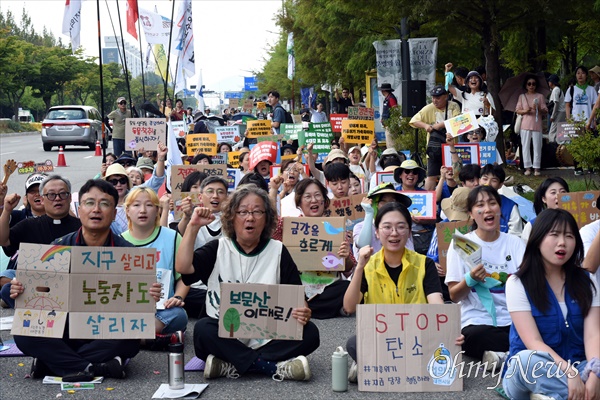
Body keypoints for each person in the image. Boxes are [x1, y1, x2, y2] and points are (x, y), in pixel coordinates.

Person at [9, 179, 162, 380]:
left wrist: (149, 295)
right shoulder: (58, 248)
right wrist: (22, 289)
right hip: (63, 329)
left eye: (105, 204)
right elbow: (41, 294)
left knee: (131, 337)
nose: (96, 210)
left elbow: (136, 309)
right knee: (25, 333)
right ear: (79, 210)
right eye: (89, 203)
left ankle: (51, 362)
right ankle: (95, 367)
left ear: (115, 213)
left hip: (105, 330)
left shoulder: (130, 255)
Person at [176, 185, 320, 381]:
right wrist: (193, 227)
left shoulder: (278, 250)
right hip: (224, 332)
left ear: (267, 218)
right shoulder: (218, 247)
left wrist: (304, 312)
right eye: (242, 212)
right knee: (202, 330)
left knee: (310, 332)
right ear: (231, 218)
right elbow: (183, 268)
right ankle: (270, 366)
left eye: (257, 212)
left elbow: (298, 299)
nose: (250, 218)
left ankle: (231, 364)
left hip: (267, 334)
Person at [344, 202, 460, 381]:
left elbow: (436, 302)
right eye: (387, 227)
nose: (394, 233)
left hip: (417, 339)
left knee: (441, 345)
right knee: (354, 343)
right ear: (377, 232)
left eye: (401, 227)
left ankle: (374, 366)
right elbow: (349, 307)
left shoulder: (424, 264)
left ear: (409, 231)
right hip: (382, 338)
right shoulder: (368, 266)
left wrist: (449, 329)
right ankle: (394, 366)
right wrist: (359, 267)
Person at [502, 209, 600, 400]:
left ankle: (554, 396)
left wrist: (595, 372)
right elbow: (533, 342)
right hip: (535, 369)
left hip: (580, 366)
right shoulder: (518, 283)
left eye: (569, 236)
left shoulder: (587, 281)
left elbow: (592, 334)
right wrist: (568, 373)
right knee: (524, 361)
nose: (562, 242)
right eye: (554, 235)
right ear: (538, 239)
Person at [445, 186, 525, 369]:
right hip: (478, 321)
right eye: (480, 205)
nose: (488, 209)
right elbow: (454, 295)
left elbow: (530, 285)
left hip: (514, 318)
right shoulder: (461, 245)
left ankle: (503, 358)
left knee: (544, 328)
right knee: (473, 338)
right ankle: (519, 354)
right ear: (471, 214)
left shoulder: (516, 243)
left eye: (492, 203)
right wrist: (470, 279)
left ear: (499, 208)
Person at [0, 175, 82, 308]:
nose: (57, 198)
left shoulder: (82, 227)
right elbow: (3, 240)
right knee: (7, 289)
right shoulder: (28, 225)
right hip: (37, 286)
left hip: (71, 286)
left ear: (70, 198)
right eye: (51, 195)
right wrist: (7, 210)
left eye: (62, 194)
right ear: (43, 199)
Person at [122, 187, 188, 350]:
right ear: (128, 211)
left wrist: (178, 298)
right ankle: (148, 339)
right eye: (136, 205)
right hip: (129, 311)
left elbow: (184, 278)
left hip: (162, 309)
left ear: (158, 210)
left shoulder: (172, 237)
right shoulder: (119, 241)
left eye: (149, 205)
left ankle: (131, 338)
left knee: (179, 315)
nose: (143, 210)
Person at [285, 179, 355, 319]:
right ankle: (324, 309)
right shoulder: (290, 226)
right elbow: (270, 222)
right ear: (299, 203)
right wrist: (275, 190)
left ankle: (309, 309)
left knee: (347, 287)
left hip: (328, 290)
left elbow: (348, 269)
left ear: (324, 200)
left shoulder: (335, 227)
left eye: (318, 195)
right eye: (308, 197)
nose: (313, 200)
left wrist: (345, 256)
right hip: (301, 290)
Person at [409, 85, 461, 191]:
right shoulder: (429, 108)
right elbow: (414, 120)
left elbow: (458, 120)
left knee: (453, 174)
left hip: (451, 147)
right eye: (433, 98)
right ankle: (430, 199)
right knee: (431, 175)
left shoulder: (454, 106)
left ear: (446, 96)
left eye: (438, 98)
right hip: (434, 148)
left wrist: (439, 125)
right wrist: (426, 126)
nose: (434, 100)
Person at [427, 187, 472, 302]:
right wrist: (435, 264)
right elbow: (431, 255)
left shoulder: (478, 230)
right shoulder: (442, 227)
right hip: (446, 280)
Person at [353, 182, 414, 260]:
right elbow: (363, 245)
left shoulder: (402, 227)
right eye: (383, 201)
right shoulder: (360, 226)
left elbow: (410, 253)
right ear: (374, 204)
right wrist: (369, 213)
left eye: (392, 201)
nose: (388, 205)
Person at [565, 66, 599, 175]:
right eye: (578, 73)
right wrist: (568, 119)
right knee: (576, 145)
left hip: (588, 120)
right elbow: (567, 105)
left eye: (583, 73)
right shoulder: (571, 89)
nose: (580, 75)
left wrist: (594, 120)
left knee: (589, 143)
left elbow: (595, 105)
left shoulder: (591, 90)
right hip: (576, 121)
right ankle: (577, 167)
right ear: (575, 75)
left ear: (586, 75)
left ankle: (590, 166)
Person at [515, 75, 548, 176]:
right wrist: (525, 111)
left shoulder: (540, 96)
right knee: (525, 147)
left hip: (537, 124)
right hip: (525, 124)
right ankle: (527, 167)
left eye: (533, 84)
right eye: (529, 84)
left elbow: (545, 111)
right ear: (526, 85)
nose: (531, 86)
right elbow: (517, 110)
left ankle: (537, 168)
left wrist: (538, 108)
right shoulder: (522, 96)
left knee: (537, 146)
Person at [479, 164, 523, 237]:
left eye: (494, 180)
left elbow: (516, 235)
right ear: (479, 180)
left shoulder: (510, 206)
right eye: (485, 179)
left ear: (500, 185)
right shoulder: (471, 202)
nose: (488, 183)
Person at [521, 177, 569, 242]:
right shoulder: (532, 226)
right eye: (553, 192)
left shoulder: (576, 221)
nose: (558, 196)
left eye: (563, 192)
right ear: (544, 199)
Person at [378, 83, 398, 149]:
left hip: (390, 124)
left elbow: (395, 110)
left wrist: (391, 122)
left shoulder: (391, 98)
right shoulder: (388, 98)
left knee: (391, 143)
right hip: (388, 124)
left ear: (384, 90)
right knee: (389, 142)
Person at [547, 74, 566, 143]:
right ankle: (559, 146)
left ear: (552, 82)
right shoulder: (558, 89)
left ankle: (552, 146)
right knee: (560, 131)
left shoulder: (555, 90)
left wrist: (552, 116)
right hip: (562, 112)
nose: (548, 82)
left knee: (552, 132)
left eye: (549, 81)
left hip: (558, 112)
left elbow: (556, 103)